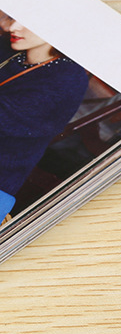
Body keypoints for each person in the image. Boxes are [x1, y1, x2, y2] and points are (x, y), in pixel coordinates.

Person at [0, 12, 89, 225]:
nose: (13, 27)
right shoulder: (15, 52)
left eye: (29, 21)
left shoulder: (67, 78)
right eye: (13, 18)